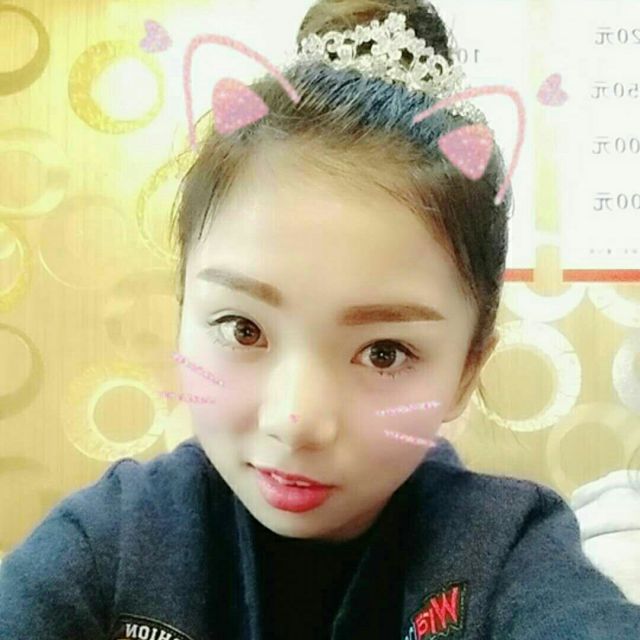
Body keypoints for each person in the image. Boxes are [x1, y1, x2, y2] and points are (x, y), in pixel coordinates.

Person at [1, 1, 639, 639]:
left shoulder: (509, 553)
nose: (294, 421)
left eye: (384, 352)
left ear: (467, 370)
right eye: (243, 329)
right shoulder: (108, 545)